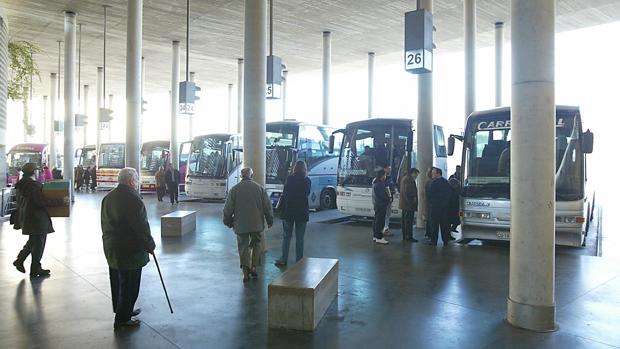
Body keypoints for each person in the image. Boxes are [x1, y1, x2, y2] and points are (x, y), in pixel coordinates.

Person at [101, 167, 156, 329]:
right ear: (131, 181)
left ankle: (122, 310)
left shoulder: (108, 197)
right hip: (129, 250)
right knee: (130, 284)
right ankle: (122, 319)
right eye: (137, 179)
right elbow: (141, 227)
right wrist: (150, 245)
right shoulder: (133, 199)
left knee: (117, 281)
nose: (137, 183)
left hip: (112, 247)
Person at [12, 163, 68, 277]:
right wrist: (61, 201)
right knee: (39, 244)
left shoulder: (22, 184)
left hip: (28, 217)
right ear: (34, 172)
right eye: (38, 170)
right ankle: (34, 268)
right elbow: (41, 202)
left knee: (33, 241)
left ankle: (21, 261)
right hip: (37, 219)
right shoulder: (33, 186)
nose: (40, 172)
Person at [223, 168, 273, 282]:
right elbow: (267, 207)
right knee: (257, 244)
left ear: (241, 176)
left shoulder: (234, 190)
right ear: (252, 175)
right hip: (256, 224)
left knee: (243, 247)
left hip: (241, 225)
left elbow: (228, 209)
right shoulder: (259, 188)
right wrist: (270, 220)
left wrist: (227, 221)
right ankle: (254, 266)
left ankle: (245, 273)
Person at [275, 161, 311, 267]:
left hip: (289, 211)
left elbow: (285, 193)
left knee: (287, 236)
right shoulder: (307, 180)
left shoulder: (290, 179)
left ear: (294, 168)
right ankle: (299, 260)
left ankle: (283, 259)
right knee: (300, 238)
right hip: (301, 212)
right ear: (305, 169)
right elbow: (307, 194)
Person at [427, 167, 452, 246]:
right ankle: (445, 240)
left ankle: (434, 241)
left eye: (433, 173)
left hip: (435, 207)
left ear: (438, 173)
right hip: (444, 207)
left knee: (434, 224)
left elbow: (430, 194)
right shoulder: (446, 182)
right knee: (444, 225)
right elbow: (449, 194)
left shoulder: (434, 183)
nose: (432, 175)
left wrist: (431, 202)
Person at [399, 168, 419, 242]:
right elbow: (409, 192)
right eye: (416, 174)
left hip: (404, 203)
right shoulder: (409, 180)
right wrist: (413, 198)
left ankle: (405, 235)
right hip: (408, 204)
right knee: (408, 221)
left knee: (405, 220)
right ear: (413, 173)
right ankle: (408, 236)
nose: (416, 176)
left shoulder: (404, 178)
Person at [372, 169, 390, 244]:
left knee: (376, 220)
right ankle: (379, 237)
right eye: (384, 175)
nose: (385, 177)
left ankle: (375, 236)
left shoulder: (375, 183)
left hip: (377, 204)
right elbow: (383, 195)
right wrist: (388, 199)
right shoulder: (380, 184)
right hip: (381, 205)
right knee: (380, 221)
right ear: (381, 176)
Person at [382, 165, 395, 236]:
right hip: (385, 199)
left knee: (388, 214)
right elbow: (386, 188)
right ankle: (384, 229)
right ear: (384, 169)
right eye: (388, 169)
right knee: (385, 214)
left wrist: (393, 191)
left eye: (390, 169)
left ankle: (386, 228)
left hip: (389, 199)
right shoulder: (382, 179)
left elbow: (391, 187)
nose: (389, 170)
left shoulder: (390, 178)